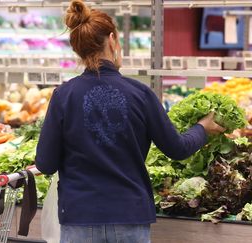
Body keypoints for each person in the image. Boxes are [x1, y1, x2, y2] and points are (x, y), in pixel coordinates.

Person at [35, 1, 225, 242]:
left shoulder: (64, 96)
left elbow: (45, 163)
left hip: (79, 215)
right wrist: (202, 128)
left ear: (78, 49)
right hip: (130, 214)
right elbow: (177, 148)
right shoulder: (140, 93)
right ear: (113, 40)